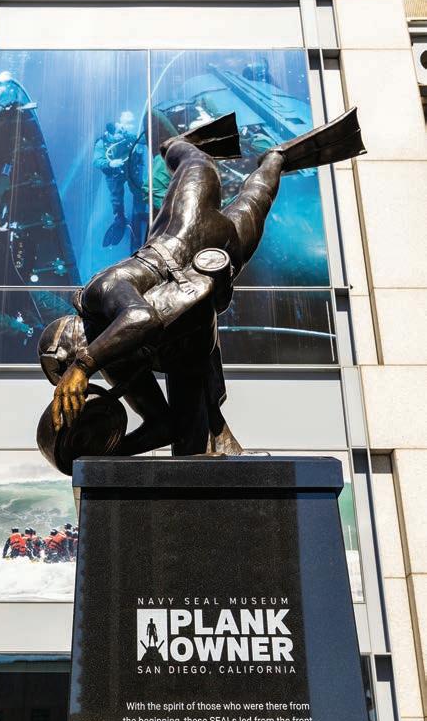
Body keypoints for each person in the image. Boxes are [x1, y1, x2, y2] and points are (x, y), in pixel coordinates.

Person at [39, 108, 365, 463]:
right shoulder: (117, 363)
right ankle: (277, 157)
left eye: (69, 370)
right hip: (205, 290)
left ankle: (173, 144)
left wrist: (83, 365)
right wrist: (103, 455)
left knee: (196, 162)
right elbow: (164, 425)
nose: (78, 385)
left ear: (72, 340)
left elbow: (140, 317)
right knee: (258, 197)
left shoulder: (98, 294)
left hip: (187, 227)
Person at [93, 112, 146, 250]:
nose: (121, 135)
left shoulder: (127, 136)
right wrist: (110, 163)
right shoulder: (102, 143)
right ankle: (119, 218)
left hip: (130, 169)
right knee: (116, 197)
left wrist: (126, 133)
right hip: (114, 174)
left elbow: (143, 140)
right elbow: (96, 161)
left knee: (138, 189)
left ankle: (140, 211)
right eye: (119, 132)